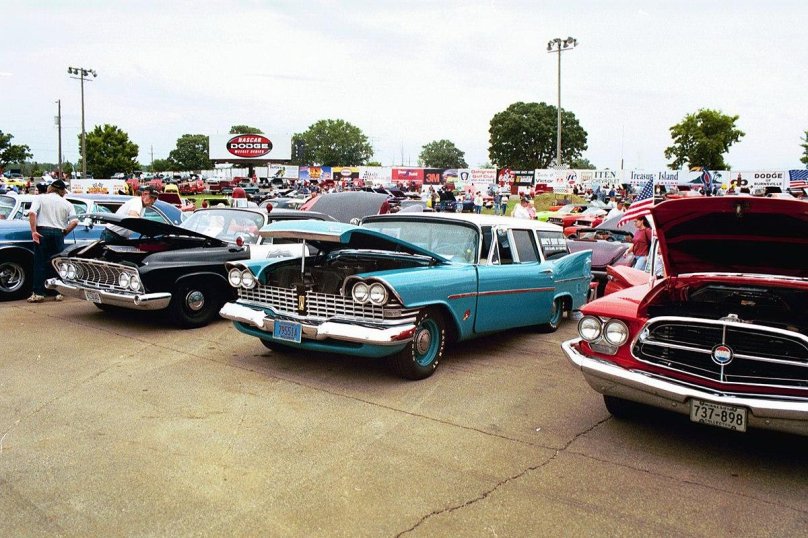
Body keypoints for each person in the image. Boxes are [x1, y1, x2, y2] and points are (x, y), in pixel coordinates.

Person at [27, 179, 78, 303]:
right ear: (62, 191)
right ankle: (58, 292)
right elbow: (75, 221)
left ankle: (38, 293)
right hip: (58, 233)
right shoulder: (67, 203)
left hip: (42, 231)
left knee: (40, 262)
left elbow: (32, 213)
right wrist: (65, 232)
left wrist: (33, 231)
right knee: (57, 263)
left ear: (50, 188)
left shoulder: (40, 198)